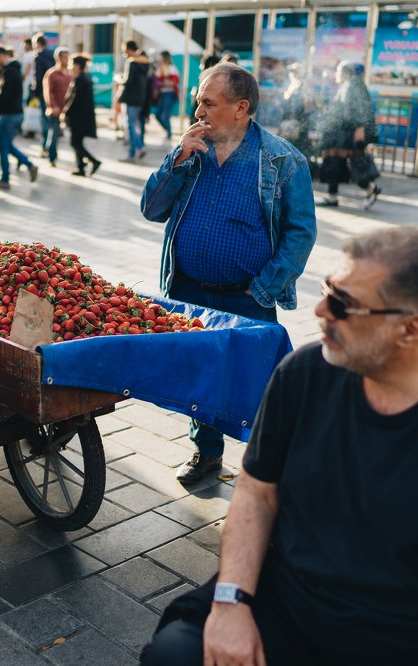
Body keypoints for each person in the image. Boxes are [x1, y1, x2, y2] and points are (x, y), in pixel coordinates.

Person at [141, 226, 418, 666]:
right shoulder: (304, 373)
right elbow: (257, 493)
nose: (320, 309)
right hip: (286, 603)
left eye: (344, 304)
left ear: (412, 329)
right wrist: (230, 603)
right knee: (177, 652)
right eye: (327, 289)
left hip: (405, 639)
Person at [140, 63, 317, 483]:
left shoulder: (281, 159)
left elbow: (301, 231)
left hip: (247, 297)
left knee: (257, 382)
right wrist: (176, 159)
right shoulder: (191, 150)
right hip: (187, 291)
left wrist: (264, 289)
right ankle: (206, 453)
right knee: (200, 376)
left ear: (241, 108)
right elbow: (152, 209)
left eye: (208, 102)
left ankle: (272, 466)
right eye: (198, 100)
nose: (197, 109)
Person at [317, 61, 380, 210]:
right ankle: (333, 196)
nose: (336, 75)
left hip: (348, 134)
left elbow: (362, 108)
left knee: (354, 163)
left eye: (338, 71)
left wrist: (360, 128)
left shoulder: (355, 84)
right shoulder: (348, 85)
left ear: (346, 72)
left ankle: (370, 188)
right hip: (340, 133)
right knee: (334, 163)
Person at [0, 45, 38, 190]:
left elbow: (5, 95)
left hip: (8, 115)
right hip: (15, 114)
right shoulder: (14, 70)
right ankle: (29, 165)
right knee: (7, 146)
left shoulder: (9, 72)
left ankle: (5, 179)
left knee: (3, 148)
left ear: (1, 56)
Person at [63, 54, 100, 177]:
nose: (70, 66)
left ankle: (94, 161)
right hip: (81, 117)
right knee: (77, 142)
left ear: (77, 66)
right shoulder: (84, 78)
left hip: (79, 118)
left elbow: (75, 100)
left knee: (74, 142)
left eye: (72, 64)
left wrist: (65, 112)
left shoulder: (80, 80)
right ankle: (80, 167)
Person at [119, 40, 150, 163]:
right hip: (140, 98)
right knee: (133, 125)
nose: (124, 53)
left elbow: (128, 81)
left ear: (129, 50)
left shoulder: (131, 62)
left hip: (130, 98)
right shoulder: (144, 62)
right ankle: (132, 153)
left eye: (124, 50)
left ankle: (140, 147)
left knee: (130, 126)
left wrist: (118, 79)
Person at [43, 47, 72, 168]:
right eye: (64, 57)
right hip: (55, 109)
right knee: (53, 134)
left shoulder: (70, 73)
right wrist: (53, 106)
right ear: (58, 58)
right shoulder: (52, 73)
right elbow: (48, 92)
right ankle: (52, 157)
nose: (66, 60)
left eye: (67, 57)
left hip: (67, 109)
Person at [279, 62, 312, 159]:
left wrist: (299, 123)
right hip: (288, 122)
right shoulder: (292, 84)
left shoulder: (303, 85)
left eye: (294, 72)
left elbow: (306, 107)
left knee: (295, 152)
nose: (291, 74)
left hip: (297, 124)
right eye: (291, 72)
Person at [32, 33, 56, 153]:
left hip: (43, 92)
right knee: (53, 121)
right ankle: (52, 148)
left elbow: (38, 76)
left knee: (44, 119)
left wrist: (35, 92)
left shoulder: (39, 56)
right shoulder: (53, 54)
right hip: (55, 91)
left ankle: (45, 146)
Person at [154, 50, 180, 141]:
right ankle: (167, 130)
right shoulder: (161, 68)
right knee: (157, 114)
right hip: (162, 94)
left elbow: (173, 83)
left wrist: (162, 84)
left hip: (169, 94)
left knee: (166, 116)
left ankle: (169, 133)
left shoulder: (171, 68)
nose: (158, 58)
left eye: (160, 56)